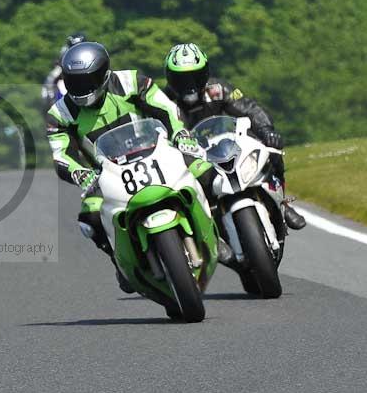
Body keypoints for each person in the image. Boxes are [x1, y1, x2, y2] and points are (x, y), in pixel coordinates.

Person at [46, 42, 233, 293]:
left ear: (104, 75)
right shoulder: (60, 114)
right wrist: (79, 171)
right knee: (90, 217)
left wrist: (180, 135)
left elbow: (166, 108)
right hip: (106, 173)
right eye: (75, 82)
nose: (82, 88)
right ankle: (118, 260)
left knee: (207, 173)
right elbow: (60, 155)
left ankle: (217, 232)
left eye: (88, 80)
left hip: (156, 152)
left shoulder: (131, 82)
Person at [163, 43, 306, 230]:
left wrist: (266, 129)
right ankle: (200, 229)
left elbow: (249, 108)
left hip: (226, 143)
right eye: (181, 79)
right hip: (191, 157)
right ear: (170, 79)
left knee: (270, 147)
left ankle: (281, 202)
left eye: (195, 77)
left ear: (204, 74)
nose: (189, 85)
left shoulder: (218, 89)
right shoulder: (163, 101)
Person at [41, 33, 87, 113]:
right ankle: (51, 100)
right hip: (68, 73)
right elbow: (59, 63)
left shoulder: (90, 51)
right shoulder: (64, 50)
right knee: (53, 78)